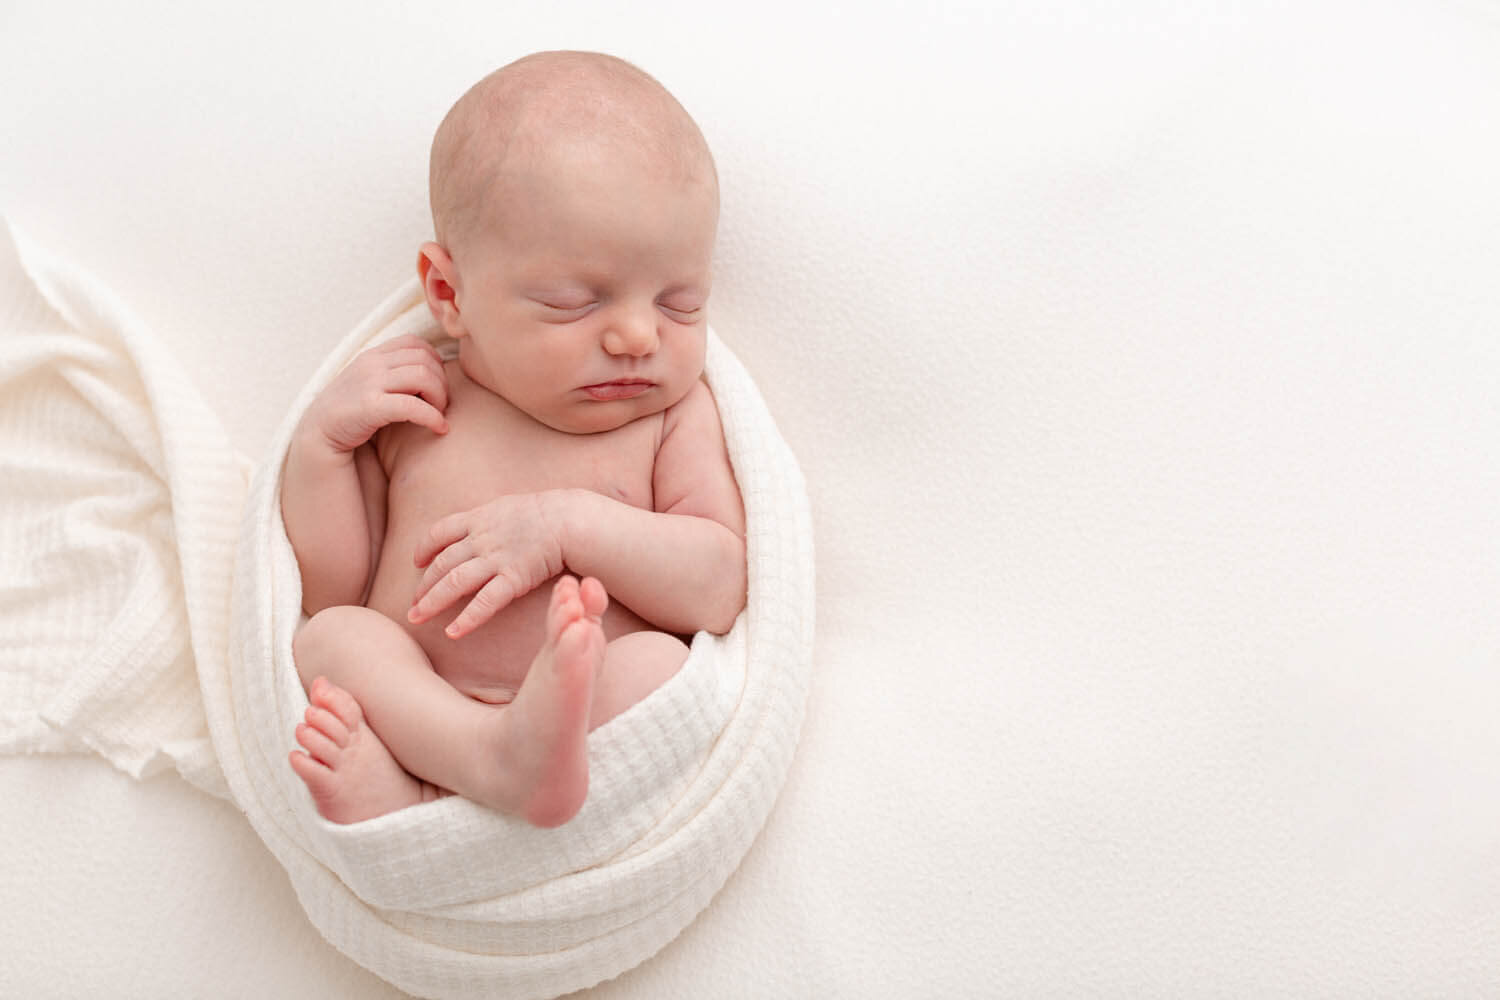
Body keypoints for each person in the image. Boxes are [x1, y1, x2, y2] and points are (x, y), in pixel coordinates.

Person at [280, 51, 746, 828]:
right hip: (422, 707)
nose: (637, 334)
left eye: (679, 303)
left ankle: (481, 780)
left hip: (588, 715)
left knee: (663, 666)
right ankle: (457, 772)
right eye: (572, 302)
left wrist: (569, 526)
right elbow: (332, 585)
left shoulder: (669, 417)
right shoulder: (419, 402)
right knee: (333, 640)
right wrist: (322, 449)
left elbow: (720, 588)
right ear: (449, 294)